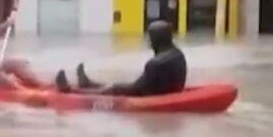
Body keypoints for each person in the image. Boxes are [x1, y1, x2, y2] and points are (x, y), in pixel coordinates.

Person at [55, 20, 186, 96]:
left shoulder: (155, 63)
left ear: (157, 40)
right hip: (168, 93)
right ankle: (88, 84)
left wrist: (115, 89)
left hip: (153, 98)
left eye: (150, 38)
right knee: (117, 86)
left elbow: (136, 89)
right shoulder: (178, 54)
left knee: (115, 89)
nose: (149, 43)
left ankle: (70, 92)